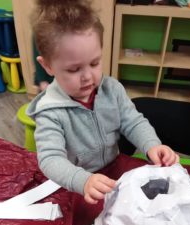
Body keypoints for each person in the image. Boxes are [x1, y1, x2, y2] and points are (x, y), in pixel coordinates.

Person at [27, 0, 178, 205]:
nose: (88, 76)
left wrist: (152, 145)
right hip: (78, 184)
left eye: (95, 63)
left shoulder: (111, 89)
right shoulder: (50, 112)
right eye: (74, 69)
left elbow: (133, 122)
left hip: (113, 167)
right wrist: (82, 180)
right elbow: (50, 159)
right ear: (48, 66)